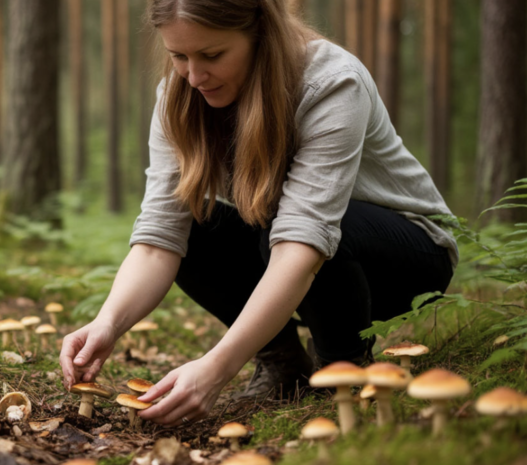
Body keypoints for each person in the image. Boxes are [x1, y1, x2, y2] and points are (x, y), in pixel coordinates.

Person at [59, 0, 457, 427]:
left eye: (211, 55)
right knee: (199, 225)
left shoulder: (333, 82)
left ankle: (345, 371)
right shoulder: (178, 98)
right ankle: (283, 364)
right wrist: (108, 322)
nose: (194, 76)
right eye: (179, 56)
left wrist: (217, 367)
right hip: (293, 247)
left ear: (260, 35)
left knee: (301, 233)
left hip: (407, 260)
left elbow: (304, 242)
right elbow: (159, 241)